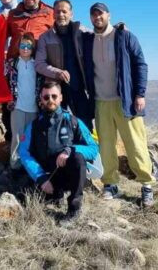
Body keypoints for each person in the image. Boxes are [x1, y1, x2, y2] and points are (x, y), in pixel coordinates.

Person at [82, 2, 153, 207]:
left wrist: (140, 94)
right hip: (101, 101)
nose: (97, 18)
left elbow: (140, 63)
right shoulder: (88, 40)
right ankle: (110, 183)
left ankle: (146, 185)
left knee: (135, 144)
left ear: (108, 15)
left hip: (126, 101)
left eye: (101, 14)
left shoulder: (124, 36)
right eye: (94, 15)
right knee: (106, 146)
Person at [20, 81, 99, 225]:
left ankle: (74, 209)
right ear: (41, 99)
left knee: (77, 158)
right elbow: (24, 153)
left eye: (54, 96)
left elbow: (93, 148)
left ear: (61, 98)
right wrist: (40, 177)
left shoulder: (73, 121)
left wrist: (70, 150)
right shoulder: (34, 126)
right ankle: (55, 195)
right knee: (24, 196)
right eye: (46, 97)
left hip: (68, 175)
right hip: (46, 177)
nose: (50, 100)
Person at [3, 0, 55, 142]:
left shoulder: (50, 13)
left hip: (40, 68)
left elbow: (65, 27)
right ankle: (12, 151)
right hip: (16, 70)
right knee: (12, 109)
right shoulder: (13, 14)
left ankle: (39, 149)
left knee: (40, 108)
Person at [35, 0, 94, 126]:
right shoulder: (45, 38)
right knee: (56, 126)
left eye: (64, 11)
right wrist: (57, 72)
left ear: (71, 13)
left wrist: (118, 29)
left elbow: (101, 35)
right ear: (53, 14)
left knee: (84, 125)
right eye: (57, 12)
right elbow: (39, 64)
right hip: (55, 90)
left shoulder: (81, 31)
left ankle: (85, 146)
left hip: (78, 88)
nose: (61, 15)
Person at [4, 32, 40, 170]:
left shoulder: (36, 64)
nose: (25, 49)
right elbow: (1, 78)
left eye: (29, 46)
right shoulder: (13, 63)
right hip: (18, 106)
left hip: (33, 107)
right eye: (23, 45)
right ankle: (15, 165)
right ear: (18, 47)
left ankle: (29, 167)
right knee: (17, 138)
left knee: (30, 138)